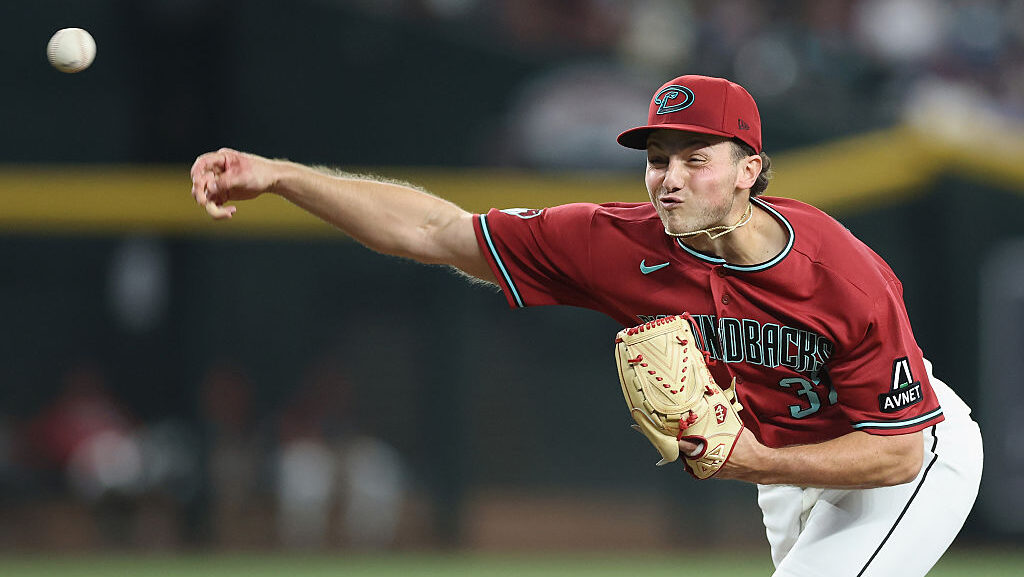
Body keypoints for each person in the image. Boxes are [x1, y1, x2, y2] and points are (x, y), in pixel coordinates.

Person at [190, 74, 983, 576]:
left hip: (903, 449)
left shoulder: (840, 273)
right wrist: (283, 176)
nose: (669, 179)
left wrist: (752, 458)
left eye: (695, 159)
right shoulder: (616, 242)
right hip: (782, 468)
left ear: (750, 170)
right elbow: (434, 230)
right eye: (657, 159)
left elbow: (897, 451)